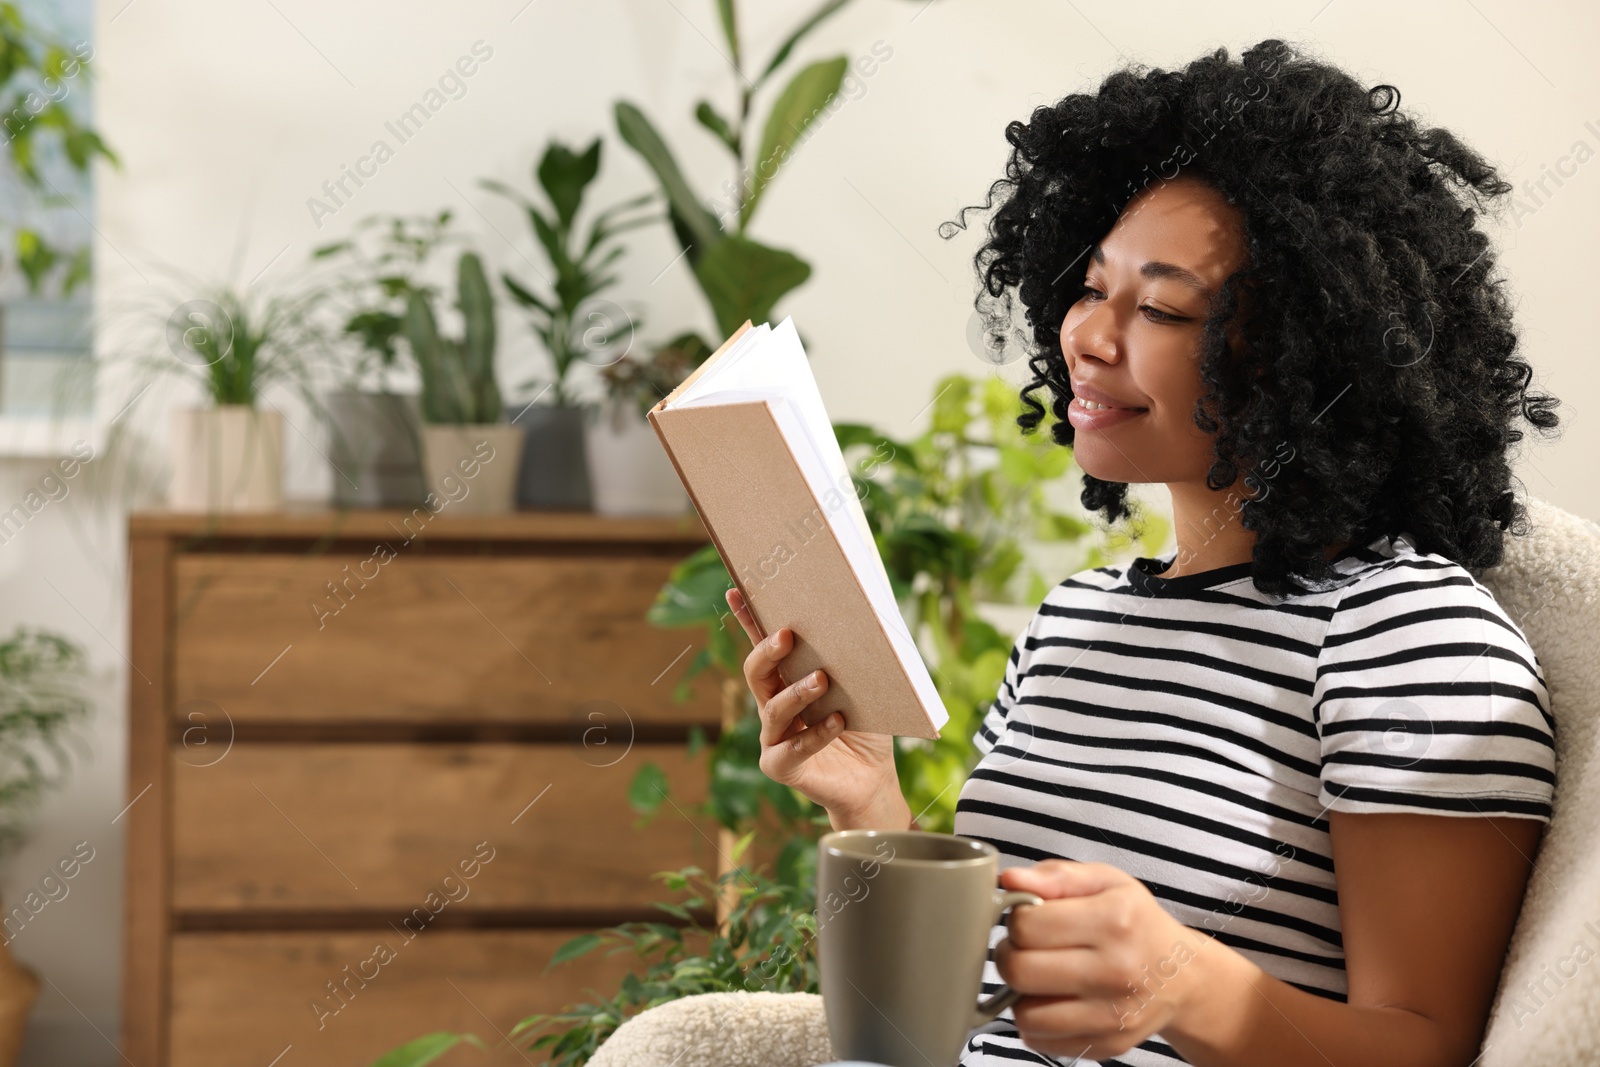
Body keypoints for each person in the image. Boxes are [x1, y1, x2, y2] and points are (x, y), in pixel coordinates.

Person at [724, 37, 1562, 1067]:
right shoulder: (1076, 616)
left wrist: (1190, 985)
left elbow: (1428, 1047)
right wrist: (873, 801)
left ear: (1313, 349)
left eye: (1161, 307)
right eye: (1089, 287)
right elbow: (987, 999)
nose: (1087, 334)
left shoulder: (1408, 636)